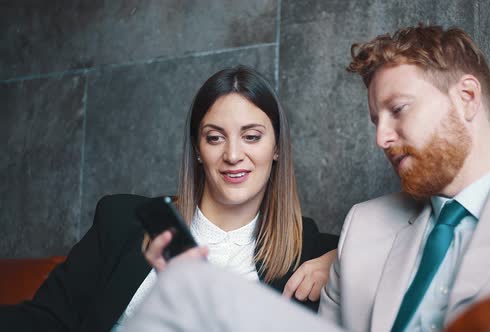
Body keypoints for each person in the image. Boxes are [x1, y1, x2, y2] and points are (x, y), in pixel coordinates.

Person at [121, 24, 490, 332]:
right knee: (188, 285)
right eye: (374, 120)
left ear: (466, 97)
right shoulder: (365, 226)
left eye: (398, 111)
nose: (381, 137)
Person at [0, 66, 338, 332]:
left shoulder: (305, 248)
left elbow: (385, 246)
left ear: (277, 148)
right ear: (198, 149)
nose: (233, 154)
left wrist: (336, 259)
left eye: (251, 137)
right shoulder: (121, 220)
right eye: (215, 137)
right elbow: (45, 320)